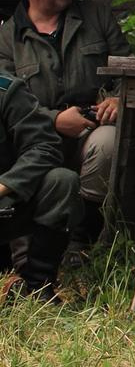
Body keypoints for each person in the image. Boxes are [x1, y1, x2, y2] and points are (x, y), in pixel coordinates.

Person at [0, 0, 133, 240]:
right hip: (34, 138)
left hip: (93, 129)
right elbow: (8, 102)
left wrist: (117, 98)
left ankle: (84, 238)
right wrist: (54, 120)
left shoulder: (96, 16)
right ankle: (41, 237)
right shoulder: (8, 38)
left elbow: (128, 71)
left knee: (108, 144)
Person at [0, 69, 77, 298]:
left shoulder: (7, 90)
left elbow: (44, 147)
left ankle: (37, 287)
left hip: (6, 206)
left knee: (61, 182)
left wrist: (5, 185)